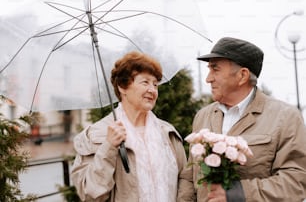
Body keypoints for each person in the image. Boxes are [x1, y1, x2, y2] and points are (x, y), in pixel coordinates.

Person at [177, 37, 306, 202]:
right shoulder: (203, 116)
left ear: (242, 75)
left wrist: (235, 194)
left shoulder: (286, 117)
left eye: (215, 69)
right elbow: (190, 176)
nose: (208, 78)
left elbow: (296, 182)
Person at [71, 51, 187, 201]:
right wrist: (109, 147)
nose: (152, 90)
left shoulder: (167, 132)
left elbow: (185, 177)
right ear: (122, 87)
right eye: (145, 82)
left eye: (155, 84)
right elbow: (89, 194)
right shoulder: (96, 135)